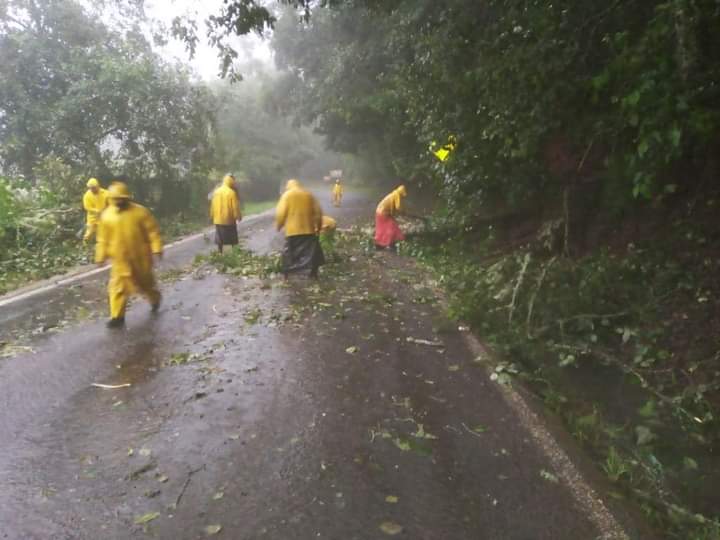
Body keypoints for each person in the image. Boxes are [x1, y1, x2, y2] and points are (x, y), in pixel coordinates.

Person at [95, 182, 163, 328]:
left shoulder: (140, 212)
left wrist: (157, 248)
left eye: (122, 198)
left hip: (141, 258)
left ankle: (155, 299)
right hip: (120, 261)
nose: (119, 201)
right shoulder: (106, 216)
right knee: (117, 288)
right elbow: (102, 239)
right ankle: (117, 317)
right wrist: (100, 256)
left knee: (146, 284)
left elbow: (152, 231)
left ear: (127, 198)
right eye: (116, 198)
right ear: (111, 199)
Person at [275, 179, 324, 279]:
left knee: (289, 254)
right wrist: (318, 227)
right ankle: (313, 273)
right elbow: (318, 213)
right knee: (312, 253)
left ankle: (287, 275)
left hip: (292, 232)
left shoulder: (286, 195)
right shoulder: (309, 195)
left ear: (288, 187)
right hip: (308, 230)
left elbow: (280, 213)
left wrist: (279, 226)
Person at [210, 174, 241, 253]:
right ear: (231, 182)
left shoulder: (216, 192)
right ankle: (231, 255)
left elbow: (212, 206)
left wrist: (212, 215)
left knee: (220, 239)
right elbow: (235, 207)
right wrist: (238, 216)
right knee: (231, 239)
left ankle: (221, 253)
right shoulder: (231, 193)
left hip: (218, 220)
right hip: (229, 220)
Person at [375, 185, 407, 251]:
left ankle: (381, 244)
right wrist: (403, 212)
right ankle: (390, 244)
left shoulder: (393, 194)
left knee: (384, 228)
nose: (402, 197)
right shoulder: (397, 195)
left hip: (380, 212)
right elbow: (398, 207)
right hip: (383, 213)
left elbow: (393, 207)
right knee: (391, 227)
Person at [82, 178, 108, 243]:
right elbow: (87, 207)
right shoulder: (87, 195)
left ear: (98, 186)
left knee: (103, 235)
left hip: (104, 218)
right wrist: (96, 211)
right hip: (92, 219)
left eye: (94, 187)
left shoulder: (106, 193)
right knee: (88, 234)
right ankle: (85, 244)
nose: (92, 189)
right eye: (91, 188)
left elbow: (111, 202)